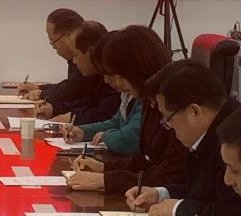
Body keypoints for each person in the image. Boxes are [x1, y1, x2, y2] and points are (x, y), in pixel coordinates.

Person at [124, 59, 241, 216]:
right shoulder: (216, 126)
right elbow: (203, 190)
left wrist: (177, 210)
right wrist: (161, 194)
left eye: (168, 118)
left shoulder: (236, 141)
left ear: (194, 112)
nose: (168, 126)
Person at [65, 25, 184, 194]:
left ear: (138, 69)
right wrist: (105, 167)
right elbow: (148, 161)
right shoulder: (147, 101)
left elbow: (170, 175)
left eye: (117, 75)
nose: (109, 81)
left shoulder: (174, 105)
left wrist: (106, 181)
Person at [19, 10, 117, 123]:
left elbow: (107, 115)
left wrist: (71, 116)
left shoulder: (114, 77)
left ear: (90, 52)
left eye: (76, 54)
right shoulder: (94, 74)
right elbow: (88, 102)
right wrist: (55, 109)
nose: (74, 61)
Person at [62, 29, 142, 158]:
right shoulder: (128, 93)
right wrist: (83, 132)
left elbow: (129, 139)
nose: (106, 80)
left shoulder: (144, 96)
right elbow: (116, 122)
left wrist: (105, 136)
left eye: (110, 74)